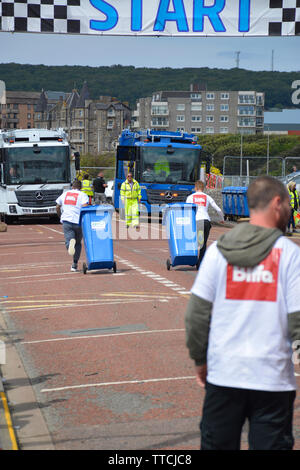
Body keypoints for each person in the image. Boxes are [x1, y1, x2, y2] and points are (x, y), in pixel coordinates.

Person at [185, 175, 300, 450]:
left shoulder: (217, 252)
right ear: (276, 203)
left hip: (224, 375)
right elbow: (297, 321)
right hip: (272, 381)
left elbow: (196, 315)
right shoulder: (288, 254)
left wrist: (201, 361)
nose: (289, 211)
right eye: (287, 204)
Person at [186, 180, 223, 269]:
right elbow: (217, 208)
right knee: (203, 243)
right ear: (203, 188)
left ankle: (193, 260)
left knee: (195, 241)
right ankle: (200, 263)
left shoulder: (190, 197)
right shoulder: (207, 197)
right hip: (206, 221)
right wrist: (222, 219)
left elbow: (187, 210)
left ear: (195, 187)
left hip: (197, 221)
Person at [56, 180, 89, 272]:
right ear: (81, 187)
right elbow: (85, 206)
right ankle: (74, 264)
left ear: (72, 186)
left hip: (67, 220)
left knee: (69, 241)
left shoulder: (65, 194)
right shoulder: (83, 195)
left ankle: (69, 244)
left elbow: (57, 206)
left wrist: (60, 216)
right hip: (78, 221)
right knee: (78, 243)